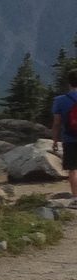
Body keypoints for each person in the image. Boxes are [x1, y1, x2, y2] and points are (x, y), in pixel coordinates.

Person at [53, 69, 77, 197]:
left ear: (69, 83)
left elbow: (57, 123)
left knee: (73, 169)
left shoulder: (60, 100)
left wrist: (55, 140)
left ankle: (76, 197)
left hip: (69, 138)